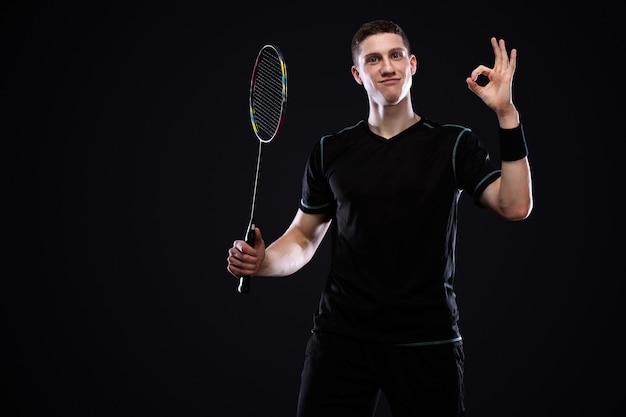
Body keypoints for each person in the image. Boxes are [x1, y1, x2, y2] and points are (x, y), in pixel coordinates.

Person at [226, 19, 533, 417]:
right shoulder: (330, 150)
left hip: (428, 341)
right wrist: (263, 262)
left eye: (395, 55)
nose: (387, 66)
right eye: (373, 59)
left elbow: (515, 205)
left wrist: (507, 114)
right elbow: (303, 237)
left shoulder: (453, 143)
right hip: (341, 340)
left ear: (413, 64)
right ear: (357, 74)